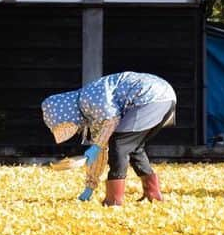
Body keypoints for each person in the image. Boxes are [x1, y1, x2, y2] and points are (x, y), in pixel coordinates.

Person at [41, 70, 177, 206]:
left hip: (151, 98)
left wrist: (96, 147)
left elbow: (110, 123)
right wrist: (89, 187)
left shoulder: (89, 99)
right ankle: (152, 193)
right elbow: (99, 150)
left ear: (67, 114)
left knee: (119, 145)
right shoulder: (89, 111)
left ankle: (114, 200)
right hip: (163, 97)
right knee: (133, 146)